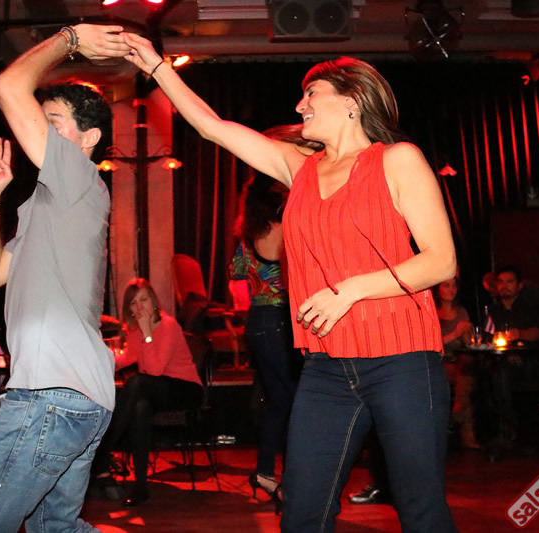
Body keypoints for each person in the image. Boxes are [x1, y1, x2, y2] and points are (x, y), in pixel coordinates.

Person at [122, 37, 457, 532]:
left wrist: (351, 290)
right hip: (325, 366)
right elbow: (212, 126)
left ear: (352, 99)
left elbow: (441, 261)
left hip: (402, 359)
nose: (300, 105)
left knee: (420, 509)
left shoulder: (397, 159)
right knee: (301, 511)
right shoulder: (298, 168)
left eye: (311, 93)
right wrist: (157, 66)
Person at [0, 25, 130, 532]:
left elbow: (9, 85)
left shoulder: (79, 177)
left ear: (88, 139)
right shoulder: (48, 207)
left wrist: (70, 38)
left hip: (50, 397)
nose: (40, 131)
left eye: (55, 123)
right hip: (74, 398)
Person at [92, 278, 203, 506]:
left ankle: (102, 451)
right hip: (156, 389)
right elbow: (127, 358)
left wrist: (147, 333)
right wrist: (99, 361)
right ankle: (140, 486)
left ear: (153, 301)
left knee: (137, 383)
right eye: (133, 303)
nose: (139, 306)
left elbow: (154, 369)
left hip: (186, 388)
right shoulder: (135, 330)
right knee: (140, 406)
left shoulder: (168, 325)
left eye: (143, 299)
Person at [231, 173, 301, 513]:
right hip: (279, 322)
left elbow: (235, 276)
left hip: (257, 323)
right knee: (297, 401)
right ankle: (293, 481)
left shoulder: (248, 237)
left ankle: (264, 472)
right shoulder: (286, 229)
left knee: (280, 401)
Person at [488, 265, 539, 448]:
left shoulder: (531, 306)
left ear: (519, 285)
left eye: (509, 282)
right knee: (499, 376)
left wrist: (519, 334)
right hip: (506, 360)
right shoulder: (492, 311)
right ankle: (507, 426)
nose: (504, 286)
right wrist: (508, 353)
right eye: (501, 282)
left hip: (537, 357)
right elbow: (487, 339)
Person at [436, 276, 481, 448]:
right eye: (446, 285)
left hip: (460, 361)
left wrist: (467, 335)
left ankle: (458, 411)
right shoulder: (432, 312)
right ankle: (461, 421)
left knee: (467, 365)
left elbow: (468, 344)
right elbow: (433, 344)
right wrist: (455, 333)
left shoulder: (461, 311)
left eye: (454, 286)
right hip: (440, 362)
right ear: (437, 289)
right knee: (463, 374)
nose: (451, 289)